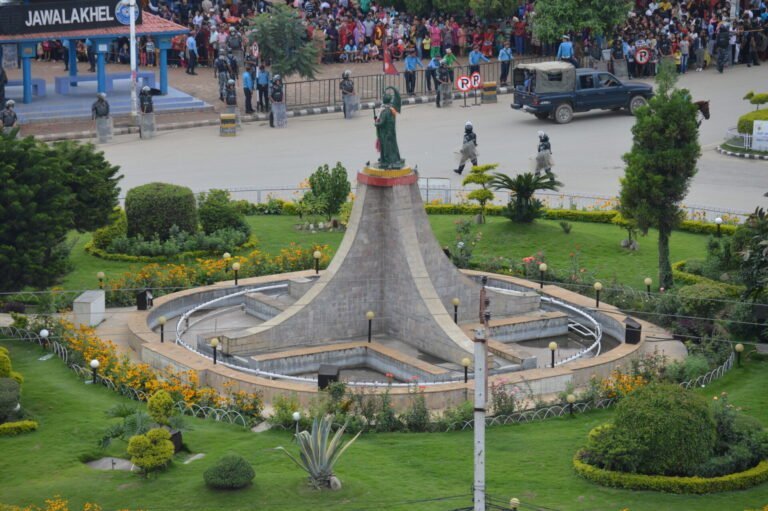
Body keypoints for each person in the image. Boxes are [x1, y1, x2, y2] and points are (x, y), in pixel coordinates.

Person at [374, 87, 402, 169]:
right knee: (391, 146)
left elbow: (382, 123)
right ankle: (391, 159)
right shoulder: (392, 109)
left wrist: (376, 123)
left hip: (385, 133)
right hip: (391, 132)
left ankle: (386, 161)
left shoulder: (385, 111)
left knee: (386, 148)